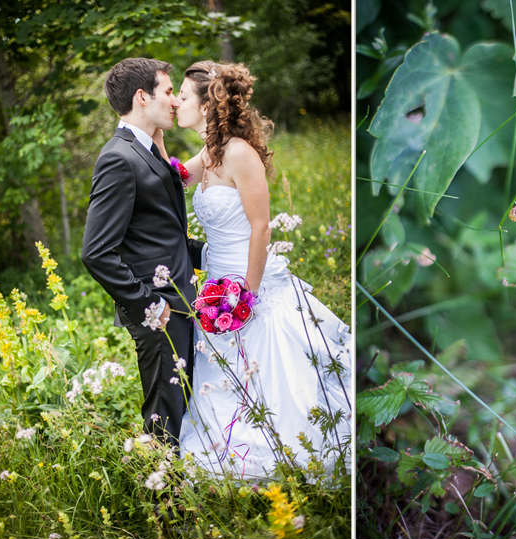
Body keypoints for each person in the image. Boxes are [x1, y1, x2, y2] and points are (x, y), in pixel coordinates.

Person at [173, 60, 351, 478]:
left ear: (205, 105)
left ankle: (288, 449)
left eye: (181, 96)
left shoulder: (238, 152)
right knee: (227, 374)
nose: (176, 102)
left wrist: (244, 296)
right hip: (215, 279)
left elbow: (260, 227)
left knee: (271, 372)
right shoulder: (209, 151)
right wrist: (156, 135)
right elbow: (178, 177)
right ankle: (231, 445)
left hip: (246, 282)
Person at [82, 58, 205, 448]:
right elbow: (96, 252)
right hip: (160, 316)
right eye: (168, 91)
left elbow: (161, 236)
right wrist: (151, 305)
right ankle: (163, 508)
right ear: (142, 96)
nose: (174, 101)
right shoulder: (118, 157)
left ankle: (185, 501)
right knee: (165, 421)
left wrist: (221, 254)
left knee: (185, 415)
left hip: (182, 304)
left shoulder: (146, 150)